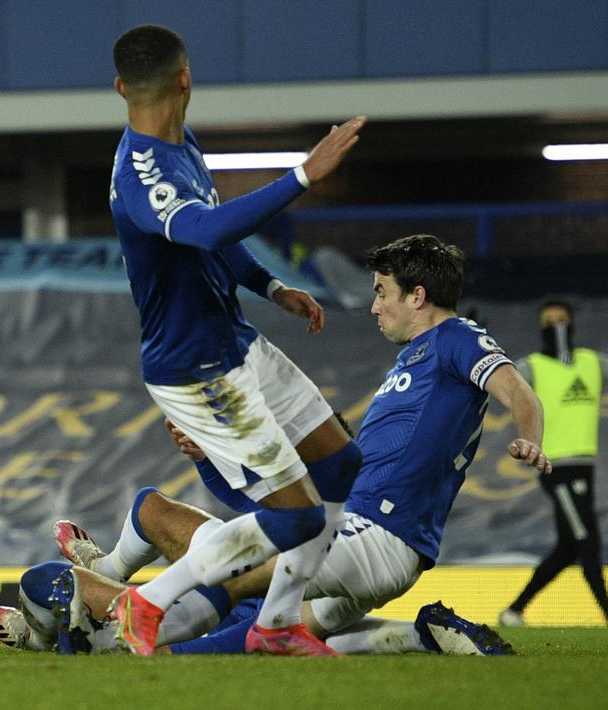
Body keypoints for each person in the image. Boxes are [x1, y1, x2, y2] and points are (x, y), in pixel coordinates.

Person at [36, 234, 551, 655]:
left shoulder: (456, 337)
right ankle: (415, 636)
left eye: (382, 292)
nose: (374, 306)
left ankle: (107, 606)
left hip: (377, 533)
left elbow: (517, 390)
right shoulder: (415, 360)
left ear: (417, 296)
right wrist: (211, 456)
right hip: (360, 532)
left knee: (228, 573)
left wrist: (530, 439)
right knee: (268, 616)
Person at [105, 23, 365, 655]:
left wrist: (269, 286)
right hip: (197, 371)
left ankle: (276, 626)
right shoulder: (142, 171)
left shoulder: (181, 145)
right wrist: (303, 175)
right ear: (186, 78)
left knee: (341, 466)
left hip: (236, 344)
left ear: (120, 87)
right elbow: (205, 230)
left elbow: (215, 238)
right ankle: (148, 599)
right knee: (297, 515)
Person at [500, 297, 608, 628]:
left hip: (583, 468)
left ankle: (514, 611)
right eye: (549, 322)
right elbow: (501, 379)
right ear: (540, 328)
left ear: (573, 323)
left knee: (569, 547)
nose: (556, 327)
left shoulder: (590, 363)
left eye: (561, 320)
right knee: (587, 540)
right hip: (554, 467)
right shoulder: (532, 367)